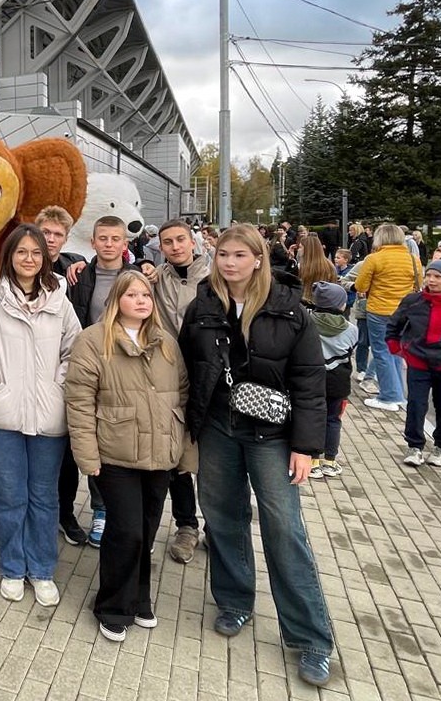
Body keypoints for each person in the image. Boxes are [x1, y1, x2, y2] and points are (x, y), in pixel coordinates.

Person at [178, 224, 334, 687]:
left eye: (239, 255)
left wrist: (307, 447)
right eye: (222, 253)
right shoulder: (203, 304)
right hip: (220, 428)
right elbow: (188, 367)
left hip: (273, 433)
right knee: (222, 517)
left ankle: (310, 638)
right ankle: (233, 600)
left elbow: (310, 379)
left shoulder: (289, 308)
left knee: (284, 529)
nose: (229, 263)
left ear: (259, 259)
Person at [65, 270, 190, 642]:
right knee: (126, 531)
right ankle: (112, 605)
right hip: (115, 452)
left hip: (159, 453)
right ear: (116, 299)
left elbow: (181, 390)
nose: (141, 301)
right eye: (132, 294)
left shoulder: (166, 342)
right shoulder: (93, 341)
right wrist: (87, 456)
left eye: (146, 295)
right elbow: (80, 401)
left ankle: (139, 596)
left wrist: (180, 443)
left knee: (148, 529)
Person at [0, 224, 81, 607]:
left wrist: (58, 387)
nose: (28, 259)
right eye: (21, 252)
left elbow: (73, 351)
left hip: (49, 418)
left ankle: (42, 568)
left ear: (45, 257)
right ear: (9, 257)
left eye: (35, 252)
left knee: (44, 497)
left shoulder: (59, 301)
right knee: (11, 496)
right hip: (3, 419)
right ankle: (13, 567)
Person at [66, 215, 138, 547]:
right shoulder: (80, 276)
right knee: (93, 439)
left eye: (115, 239)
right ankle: (100, 510)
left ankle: (119, 511)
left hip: (128, 370)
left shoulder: (138, 277)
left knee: (121, 440)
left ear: (126, 244)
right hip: (92, 368)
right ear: (92, 242)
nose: (109, 244)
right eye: (103, 238)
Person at [142, 219, 208, 564]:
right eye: (168, 242)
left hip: (212, 379)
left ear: (192, 241)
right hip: (173, 377)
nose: (175, 246)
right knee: (176, 456)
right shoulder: (159, 278)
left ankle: (218, 523)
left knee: (214, 457)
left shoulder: (215, 276)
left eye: (180, 239)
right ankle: (186, 524)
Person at [34, 206, 87, 545]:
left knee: (67, 449)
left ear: (66, 238)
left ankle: (65, 513)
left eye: (57, 234)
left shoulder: (76, 267)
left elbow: (117, 270)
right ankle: (39, 511)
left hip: (67, 372)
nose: (51, 239)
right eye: (46, 233)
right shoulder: (19, 264)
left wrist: (144, 265)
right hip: (30, 371)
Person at [387, 260, 441, 467]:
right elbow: (394, 324)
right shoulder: (413, 301)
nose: (431, 280)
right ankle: (414, 446)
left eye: (438, 277)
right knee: (415, 404)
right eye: (429, 275)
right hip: (418, 362)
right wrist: (396, 347)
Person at [354, 223, 423, 412]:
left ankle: (389, 396)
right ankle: (399, 394)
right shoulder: (413, 259)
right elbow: (419, 283)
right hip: (404, 311)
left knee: (381, 352)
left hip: (380, 309)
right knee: (396, 353)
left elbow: (361, 286)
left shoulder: (374, 258)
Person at [306, 282, 357, 479]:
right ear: (341, 305)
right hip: (339, 381)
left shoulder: (308, 321)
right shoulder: (351, 329)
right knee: (333, 419)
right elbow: (351, 349)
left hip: (312, 377)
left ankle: (313, 459)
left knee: (311, 418)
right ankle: (330, 460)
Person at [297, 234, 337, 307]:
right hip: (325, 303)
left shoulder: (301, 267)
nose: (298, 250)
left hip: (305, 303)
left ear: (307, 249)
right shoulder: (329, 265)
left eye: (300, 247)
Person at [333, 248, 356, 316]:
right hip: (336, 299)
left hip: (346, 301)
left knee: (345, 317)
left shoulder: (351, 273)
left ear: (346, 260)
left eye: (338, 258)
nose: (335, 259)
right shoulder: (335, 269)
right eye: (335, 257)